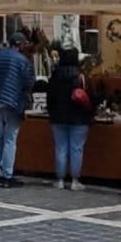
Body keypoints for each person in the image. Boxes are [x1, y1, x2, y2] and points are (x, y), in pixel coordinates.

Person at [0, 32, 34, 188]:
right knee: (10, 138)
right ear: (20, 45)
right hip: (13, 101)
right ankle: (7, 174)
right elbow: (29, 81)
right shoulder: (23, 60)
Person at [47, 48, 92, 191]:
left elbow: (49, 97)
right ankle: (75, 180)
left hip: (58, 117)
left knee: (60, 148)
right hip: (79, 118)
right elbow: (91, 97)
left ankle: (60, 180)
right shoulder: (81, 77)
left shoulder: (55, 75)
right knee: (76, 148)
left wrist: (51, 112)